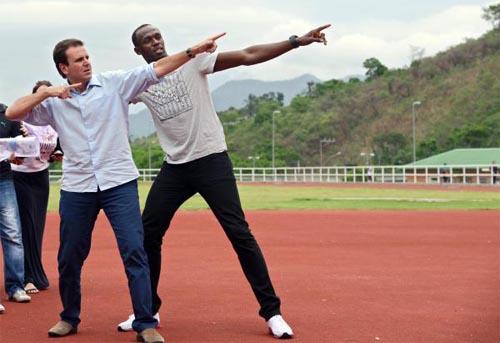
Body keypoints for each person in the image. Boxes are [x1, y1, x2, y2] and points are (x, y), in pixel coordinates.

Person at [6, 33, 224, 343]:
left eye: (87, 56)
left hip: (118, 183)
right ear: (63, 67)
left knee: (134, 250)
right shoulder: (54, 103)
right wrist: (45, 92)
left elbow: (158, 69)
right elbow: (14, 112)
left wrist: (192, 51)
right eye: (79, 59)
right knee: (69, 256)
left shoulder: (115, 83)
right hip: (78, 187)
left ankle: (146, 323)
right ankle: (69, 317)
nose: (87, 62)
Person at [117, 23, 330, 339]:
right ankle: (148, 309)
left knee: (239, 233)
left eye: (158, 36)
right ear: (139, 51)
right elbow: (103, 97)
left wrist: (295, 42)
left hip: (211, 159)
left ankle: (272, 313)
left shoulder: (193, 61)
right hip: (175, 166)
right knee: (149, 232)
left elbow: (247, 55)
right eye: (147, 41)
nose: (156, 42)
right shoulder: (140, 82)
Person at [11, 81, 62, 295]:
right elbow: (10, 147)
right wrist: (17, 151)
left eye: (48, 95)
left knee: (37, 227)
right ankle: (26, 277)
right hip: (20, 178)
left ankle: (35, 274)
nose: (44, 99)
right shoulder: (24, 120)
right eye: (41, 95)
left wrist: (55, 156)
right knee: (26, 227)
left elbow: (56, 152)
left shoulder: (54, 123)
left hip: (41, 178)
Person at [0, 103, 32, 315]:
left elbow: (19, 146)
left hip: (3, 179)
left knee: (12, 233)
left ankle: (16, 287)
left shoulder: (6, 114)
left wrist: (23, 145)